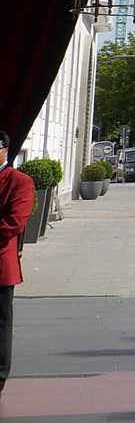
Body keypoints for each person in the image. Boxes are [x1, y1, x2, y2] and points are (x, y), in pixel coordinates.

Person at [0, 130, 34, 398]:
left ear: (5, 150)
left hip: (0, 267)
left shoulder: (19, 181)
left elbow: (14, 223)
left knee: (0, 325)